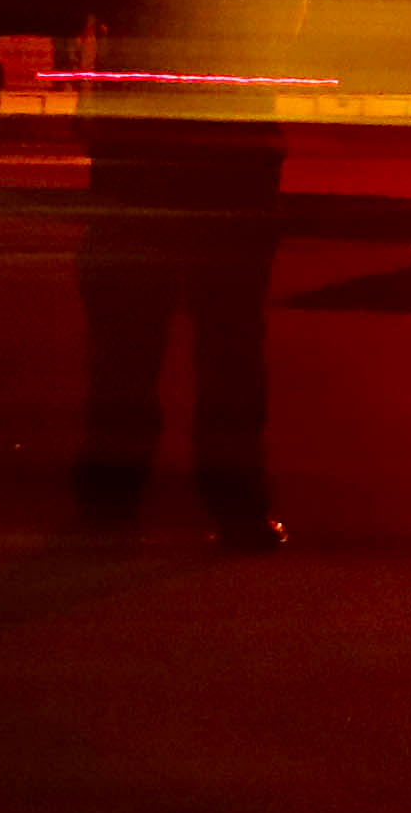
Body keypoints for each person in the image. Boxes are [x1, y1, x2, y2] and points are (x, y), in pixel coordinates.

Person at [70, 101, 286, 549]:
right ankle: (237, 507)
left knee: (127, 349)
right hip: (232, 171)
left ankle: (110, 507)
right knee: (230, 348)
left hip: (140, 163)